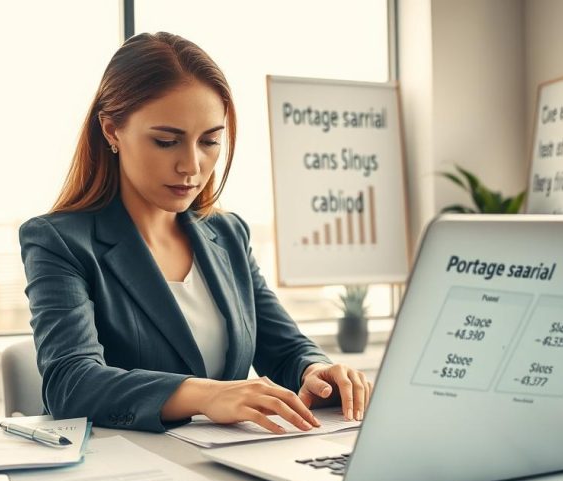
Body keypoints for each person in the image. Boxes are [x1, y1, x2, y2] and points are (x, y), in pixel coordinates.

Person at [19, 32, 372, 434]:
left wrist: (317, 370)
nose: (191, 165)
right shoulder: (58, 241)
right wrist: (207, 394)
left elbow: (285, 347)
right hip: (133, 470)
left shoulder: (227, 233)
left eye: (210, 141)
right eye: (166, 141)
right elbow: (71, 383)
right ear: (112, 131)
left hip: (232, 462)